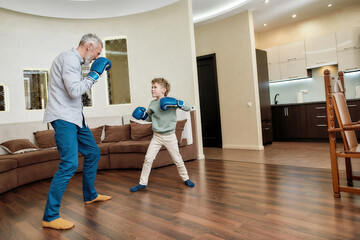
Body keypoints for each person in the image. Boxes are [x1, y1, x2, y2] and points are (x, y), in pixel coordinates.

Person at [42, 33, 112, 230]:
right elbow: (74, 90)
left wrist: (91, 74)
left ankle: (90, 195)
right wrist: (95, 74)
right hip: (63, 118)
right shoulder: (69, 59)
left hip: (75, 118)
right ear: (89, 46)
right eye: (97, 53)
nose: (97, 58)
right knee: (69, 164)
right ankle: (50, 216)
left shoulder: (75, 62)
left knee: (93, 152)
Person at [130, 78, 195, 192]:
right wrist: (143, 116)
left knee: (177, 159)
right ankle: (142, 182)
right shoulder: (152, 103)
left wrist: (176, 102)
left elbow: (188, 107)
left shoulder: (171, 102)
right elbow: (150, 118)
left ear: (163, 90)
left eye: (155, 87)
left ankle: (186, 178)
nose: (152, 89)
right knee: (148, 159)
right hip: (157, 137)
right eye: (152, 87)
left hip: (170, 136)